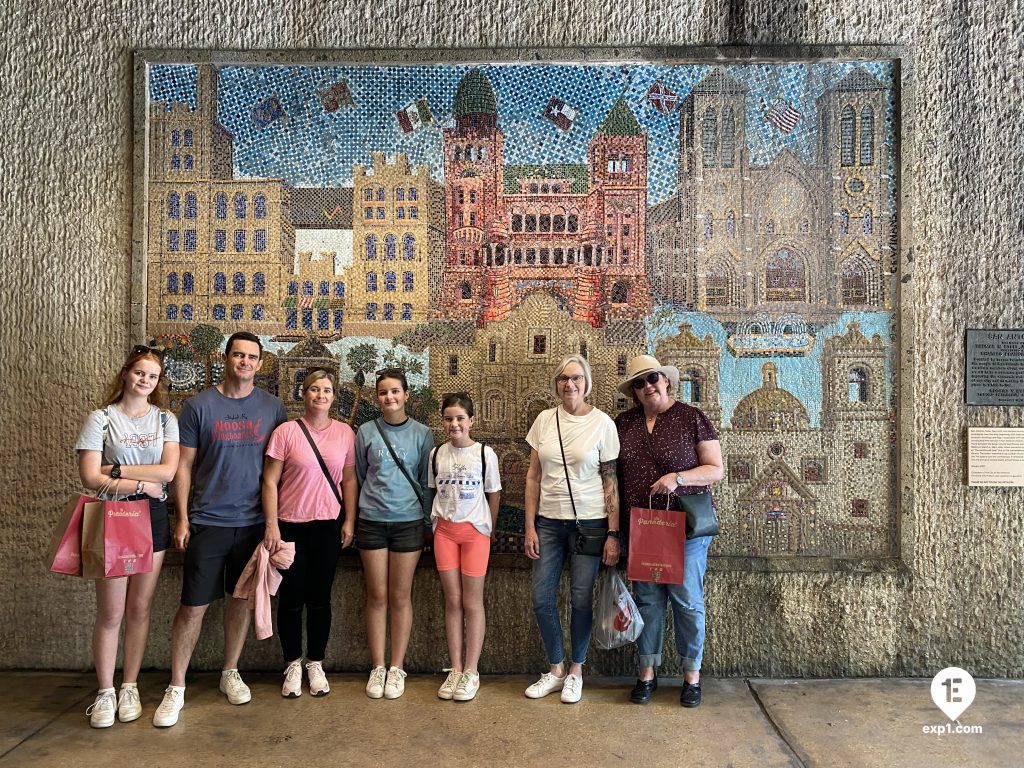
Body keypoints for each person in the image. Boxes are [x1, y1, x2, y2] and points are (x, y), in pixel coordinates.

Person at [153, 331, 287, 727]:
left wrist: (274, 522)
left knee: (240, 600)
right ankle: (176, 686)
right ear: (226, 358)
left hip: (253, 525)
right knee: (193, 607)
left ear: (260, 364)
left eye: (252, 357)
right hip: (208, 520)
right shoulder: (198, 406)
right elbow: (184, 466)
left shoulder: (273, 407)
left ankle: (230, 671)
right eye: (238, 355)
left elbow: (277, 469)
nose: (244, 362)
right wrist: (182, 517)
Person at [76, 345, 180, 728]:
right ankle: (105, 691)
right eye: (139, 373)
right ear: (125, 374)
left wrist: (116, 470)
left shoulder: (166, 419)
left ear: (157, 383)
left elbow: (169, 471)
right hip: (114, 516)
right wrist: (141, 482)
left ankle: (129, 685)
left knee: (139, 608)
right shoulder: (100, 419)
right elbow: (90, 477)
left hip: (151, 517)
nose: (145, 380)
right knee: (111, 611)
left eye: (152, 376)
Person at [614, 355, 723, 708]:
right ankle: (647, 672)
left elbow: (715, 470)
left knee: (687, 601)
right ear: (634, 391)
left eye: (653, 379)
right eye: (640, 383)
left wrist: (677, 479)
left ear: (666, 381)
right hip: (643, 528)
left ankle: (692, 676)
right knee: (647, 601)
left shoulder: (691, 418)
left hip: (686, 530)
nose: (648, 386)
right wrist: (615, 532)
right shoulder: (624, 424)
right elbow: (611, 478)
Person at [523, 354, 620, 704]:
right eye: (564, 379)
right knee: (540, 597)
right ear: (556, 384)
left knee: (581, 598)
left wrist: (613, 533)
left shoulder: (603, 424)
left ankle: (577, 670)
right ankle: (555, 669)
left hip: (590, 523)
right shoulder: (544, 421)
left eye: (577, 378)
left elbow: (610, 483)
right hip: (549, 522)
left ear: (587, 382)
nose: (570, 384)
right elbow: (533, 476)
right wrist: (529, 526)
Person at [262, 370, 357, 698]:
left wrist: (349, 521)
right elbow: (270, 481)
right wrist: (271, 525)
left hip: (328, 526)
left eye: (327, 390)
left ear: (334, 396)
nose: (320, 395)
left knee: (319, 599)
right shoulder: (286, 432)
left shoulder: (345, 433)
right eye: (314, 389)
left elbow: (349, 480)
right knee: (290, 600)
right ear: (303, 393)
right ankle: (292, 664)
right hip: (290, 526)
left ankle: (315, 662)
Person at [354, 368, 434, 700]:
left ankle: (397, 667)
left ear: (406, 395)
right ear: (377, 397)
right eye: (384, 392)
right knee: (377, 596)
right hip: (372, 520)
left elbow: (426, 481)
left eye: (395, 391)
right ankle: (377, 666)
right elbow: (359, 474)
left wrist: (429, 523)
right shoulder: (365, 432)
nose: (390, 398)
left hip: (408, 522)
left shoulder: (422, 434)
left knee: (401, 597)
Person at [428, 393, 501, 702]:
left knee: (472, 602)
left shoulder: (485, 454)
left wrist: (489, 529)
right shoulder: (436, 454)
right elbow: (433, 491)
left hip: (475, 535)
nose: (454, 423)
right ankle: (455, 668)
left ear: (471, 420)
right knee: (453, 601)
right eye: (448, 418)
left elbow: (493, 494)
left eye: (460, 418)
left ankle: (472, 670)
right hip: (444, 533)